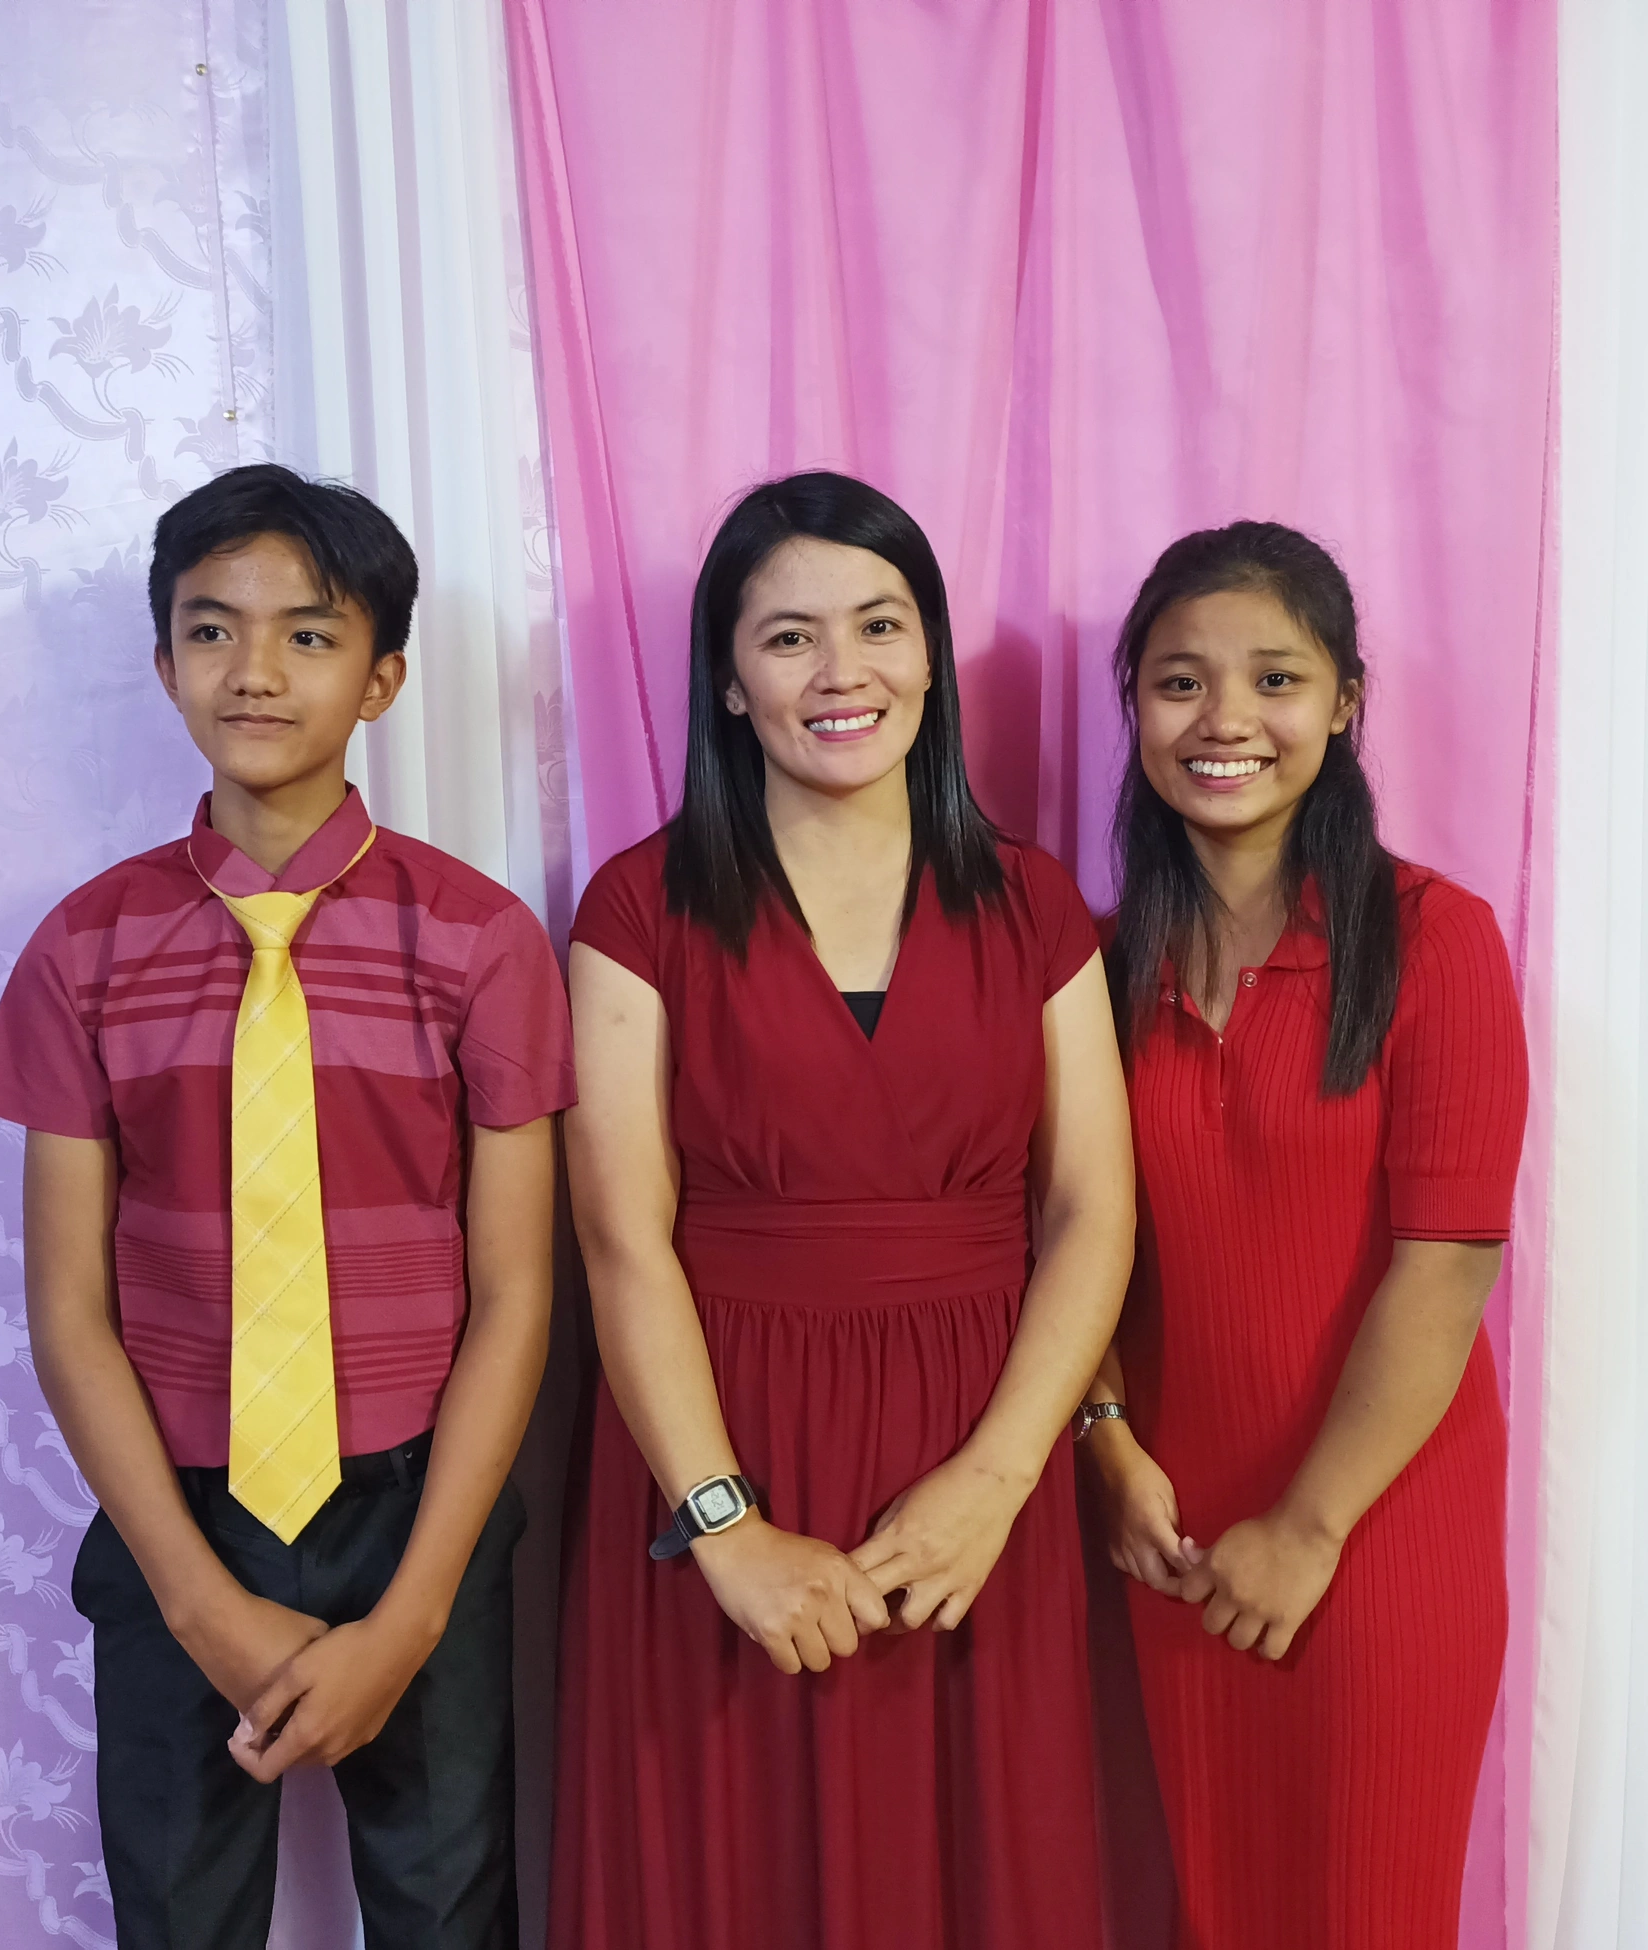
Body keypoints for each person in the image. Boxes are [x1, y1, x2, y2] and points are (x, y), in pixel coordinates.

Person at [0, 464, 573, 1950]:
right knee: (178, 1914)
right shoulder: (85, 948)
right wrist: (196, 1603)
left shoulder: (482, 942)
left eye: (310, 633)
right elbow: (68, 1308)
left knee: (449, 1910)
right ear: (163, 661)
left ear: (383, 677)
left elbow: (516, 1294)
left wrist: (415, 1612)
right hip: (177, 1507)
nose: (255, 669)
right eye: (212, 628)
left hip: (419, 1505)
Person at [549, 471, 1135, 1950]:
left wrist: (997, 1482)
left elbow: (1091, 1210)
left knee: (981, 1866)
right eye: (788, 637)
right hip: (720, 1442)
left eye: (879, 624)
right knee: (729, 1867)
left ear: (930, 656)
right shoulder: (636, 908)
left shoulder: (1035, 906)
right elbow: (621, 1238)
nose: (839, 671)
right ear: (729, 683)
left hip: (982, 1457)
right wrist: (725, 1526)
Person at [1083, 521, 1528, 1947]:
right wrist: (1105, 1442)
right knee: (1194, 1910)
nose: (1226, 720)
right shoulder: (1094, 966)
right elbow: (1062, 1239)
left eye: (1275, 679)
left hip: (1374, 1528)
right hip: (1165, 1532)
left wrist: (1310, 1525)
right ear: (1134, 704)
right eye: (1180, 682)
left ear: (1344, 701)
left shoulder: (1435, 939)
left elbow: (1446, 1267)